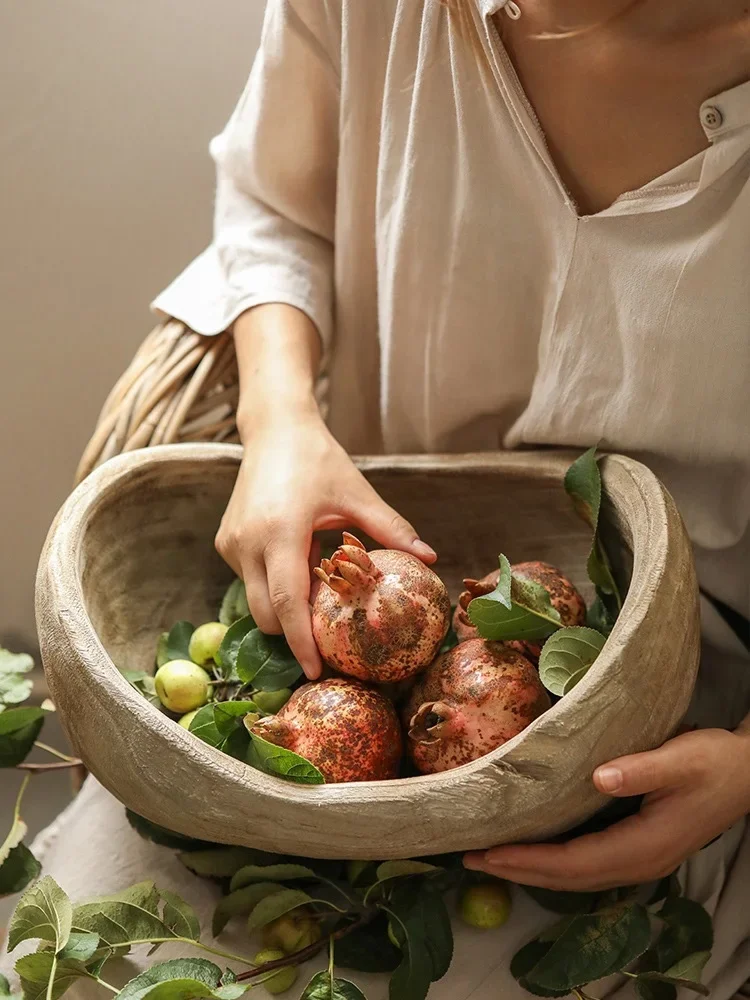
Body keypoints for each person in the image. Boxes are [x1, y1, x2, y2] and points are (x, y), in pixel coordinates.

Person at [3, 1, 749, 997]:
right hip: (309, 629)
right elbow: (273, 209)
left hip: (692, 714)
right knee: (60, 964)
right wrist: (277, 421)